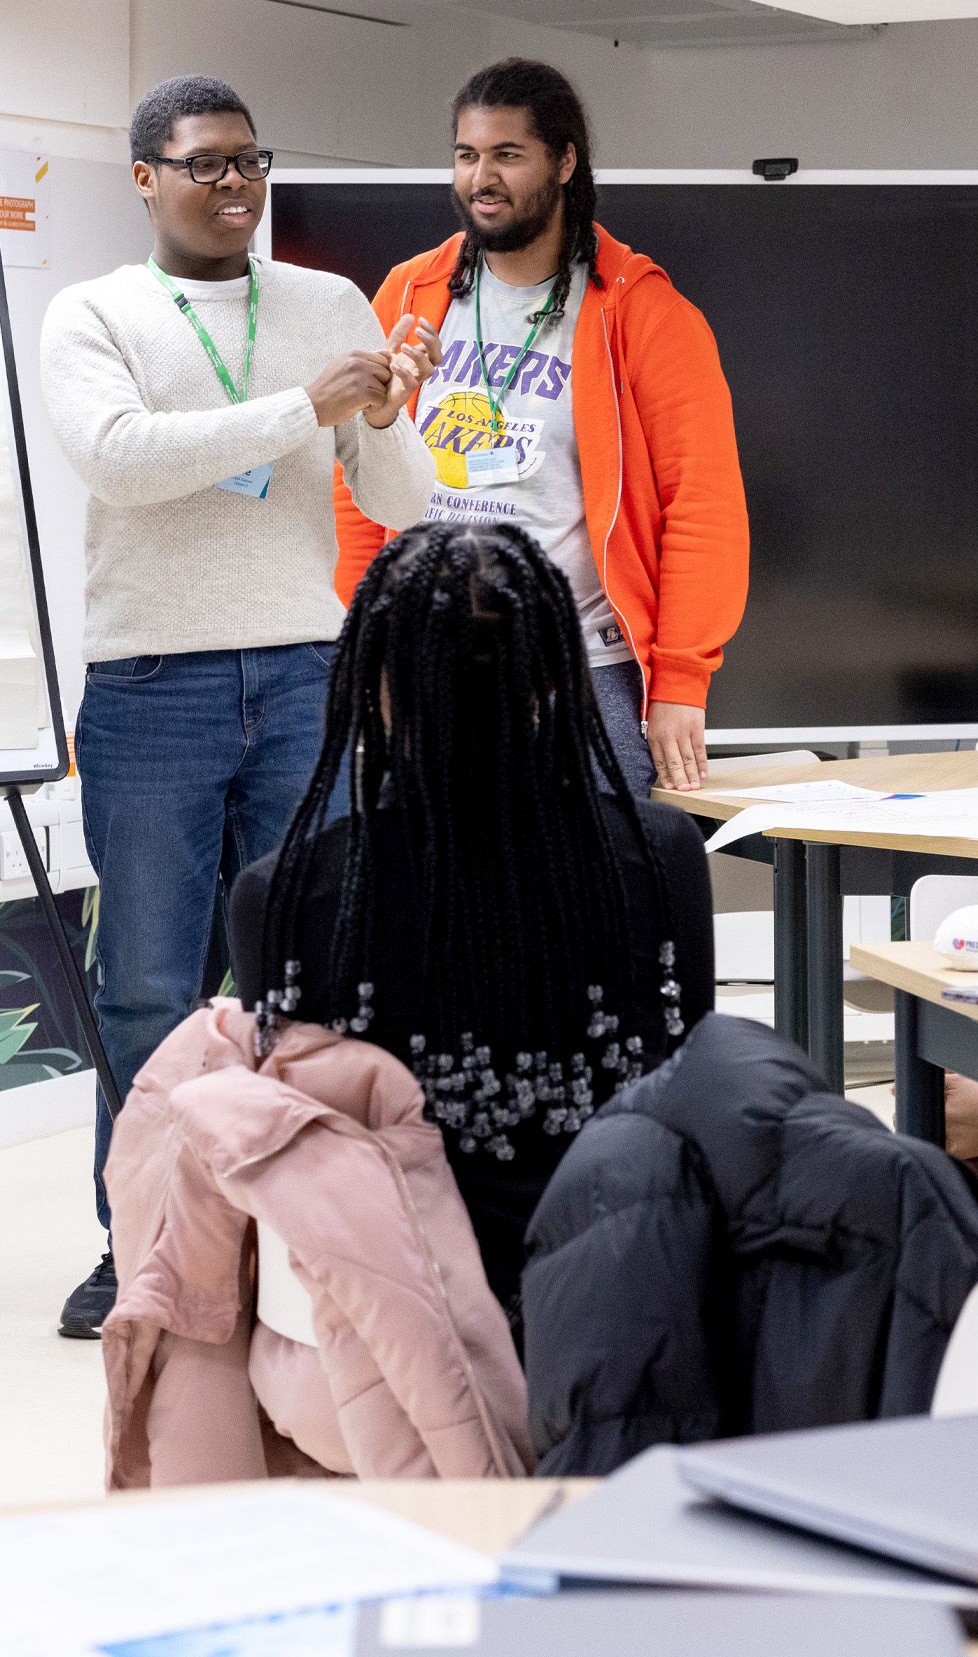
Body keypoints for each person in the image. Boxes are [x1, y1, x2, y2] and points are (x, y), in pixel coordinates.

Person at [42, 75, 441, 1339]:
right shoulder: (94, 312)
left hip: (301, 670)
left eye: (250, 162)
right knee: (148, 987)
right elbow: (124, 460)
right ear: (146, 177)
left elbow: (405, 498)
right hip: (152, 683)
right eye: (205, 164)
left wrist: (383, 414)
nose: (234, 186)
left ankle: (299, 1244)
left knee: (306, 978)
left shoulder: (326, 302)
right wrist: (301, 408)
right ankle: (143, 1250)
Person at [229, 522, 715, 1321]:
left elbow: (298, 1152)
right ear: (558, 673)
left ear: (373, 681)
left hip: (389, 1326)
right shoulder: (660, 852)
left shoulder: (281, 892)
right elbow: (690, 1080)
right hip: (622, 1303)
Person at [334, 57, 747, 796]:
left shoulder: (641, 311)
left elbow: (703, 504)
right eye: (466, 155)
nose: (480, 178)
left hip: (582, 674)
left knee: (588, 901)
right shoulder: (411, 292)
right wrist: (363, 637)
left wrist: (682, 679)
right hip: (429, 669)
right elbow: (353, 477)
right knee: (429, 901)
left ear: (563, 161)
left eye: (506, 155)